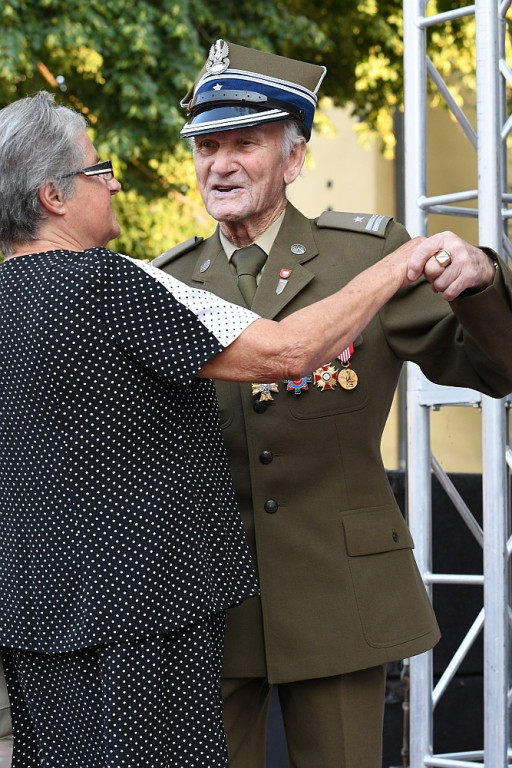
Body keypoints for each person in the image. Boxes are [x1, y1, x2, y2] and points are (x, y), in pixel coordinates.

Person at [0, 92, 459, 768]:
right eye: (99, 171)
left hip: (38, 618)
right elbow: (286, 354)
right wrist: (397, 262)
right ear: (54, 196)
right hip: (143, 626)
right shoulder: (106, 282)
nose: (116, 182)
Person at [154, 39, 512, 768]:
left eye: (243, 144)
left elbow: (495, 368)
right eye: (206, 145)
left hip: (340, 596)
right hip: (206, 607)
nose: (218, 165)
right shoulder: (169, 279)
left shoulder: (367, 259)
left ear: (293, 158)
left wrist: (480, 282)